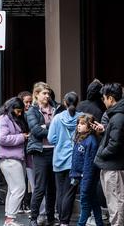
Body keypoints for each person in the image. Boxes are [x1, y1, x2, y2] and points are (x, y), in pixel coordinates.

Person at [94, 83, 124, 226]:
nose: (104, 101)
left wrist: (102, 154)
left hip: (113, 165)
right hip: (111, 164)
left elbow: (115, 143)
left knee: (116, 203)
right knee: (116, 200)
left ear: (111, 98)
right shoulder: (117, 116)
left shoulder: (118, 117)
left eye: (104, 98)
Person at [48, 92, 83, 226]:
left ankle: (60, 217)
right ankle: (64, 221)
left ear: (64, 102)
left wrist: (60, 142)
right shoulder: (81, 118)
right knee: (70, 192)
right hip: (74, 160)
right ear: (77, 102)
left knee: (60, 191)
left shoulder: (57, 118)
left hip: (58, 159)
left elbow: (51, 139)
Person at [26, 82, 58, 226]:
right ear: (36, 95)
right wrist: (52, 127)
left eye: (48, 93)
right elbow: (37, 131)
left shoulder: (56, 108)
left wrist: (45, 126)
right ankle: (33, 218)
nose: (47, 96)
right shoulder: (32, 111)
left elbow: (61, 128)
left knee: (52, 187)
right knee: (39, 187)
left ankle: (50, 217)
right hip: (40, 151)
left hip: (55, 151)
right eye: (44, 93)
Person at [0, 97, 30, 226]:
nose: (20, 113)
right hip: (9, 157)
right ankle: (10, 218)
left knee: (13, 188)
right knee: (19, 188)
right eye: (17, 110)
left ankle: (9, 218)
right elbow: (3, 138)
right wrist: (21, 137)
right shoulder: (4, 120)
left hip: (13, 157)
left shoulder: (7, 119)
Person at [72, 114, 103, 226]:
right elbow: (76, 159)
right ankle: (100, 223)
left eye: (82, 124)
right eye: (78, 124)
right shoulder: (80, 138)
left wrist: (85, 182)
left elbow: (89, 165)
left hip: (87, 178)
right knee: (94, 201)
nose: (79, 126)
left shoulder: (91, 141)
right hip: (82, 177)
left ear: (89, 127)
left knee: (85, 203)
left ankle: (81, 224)